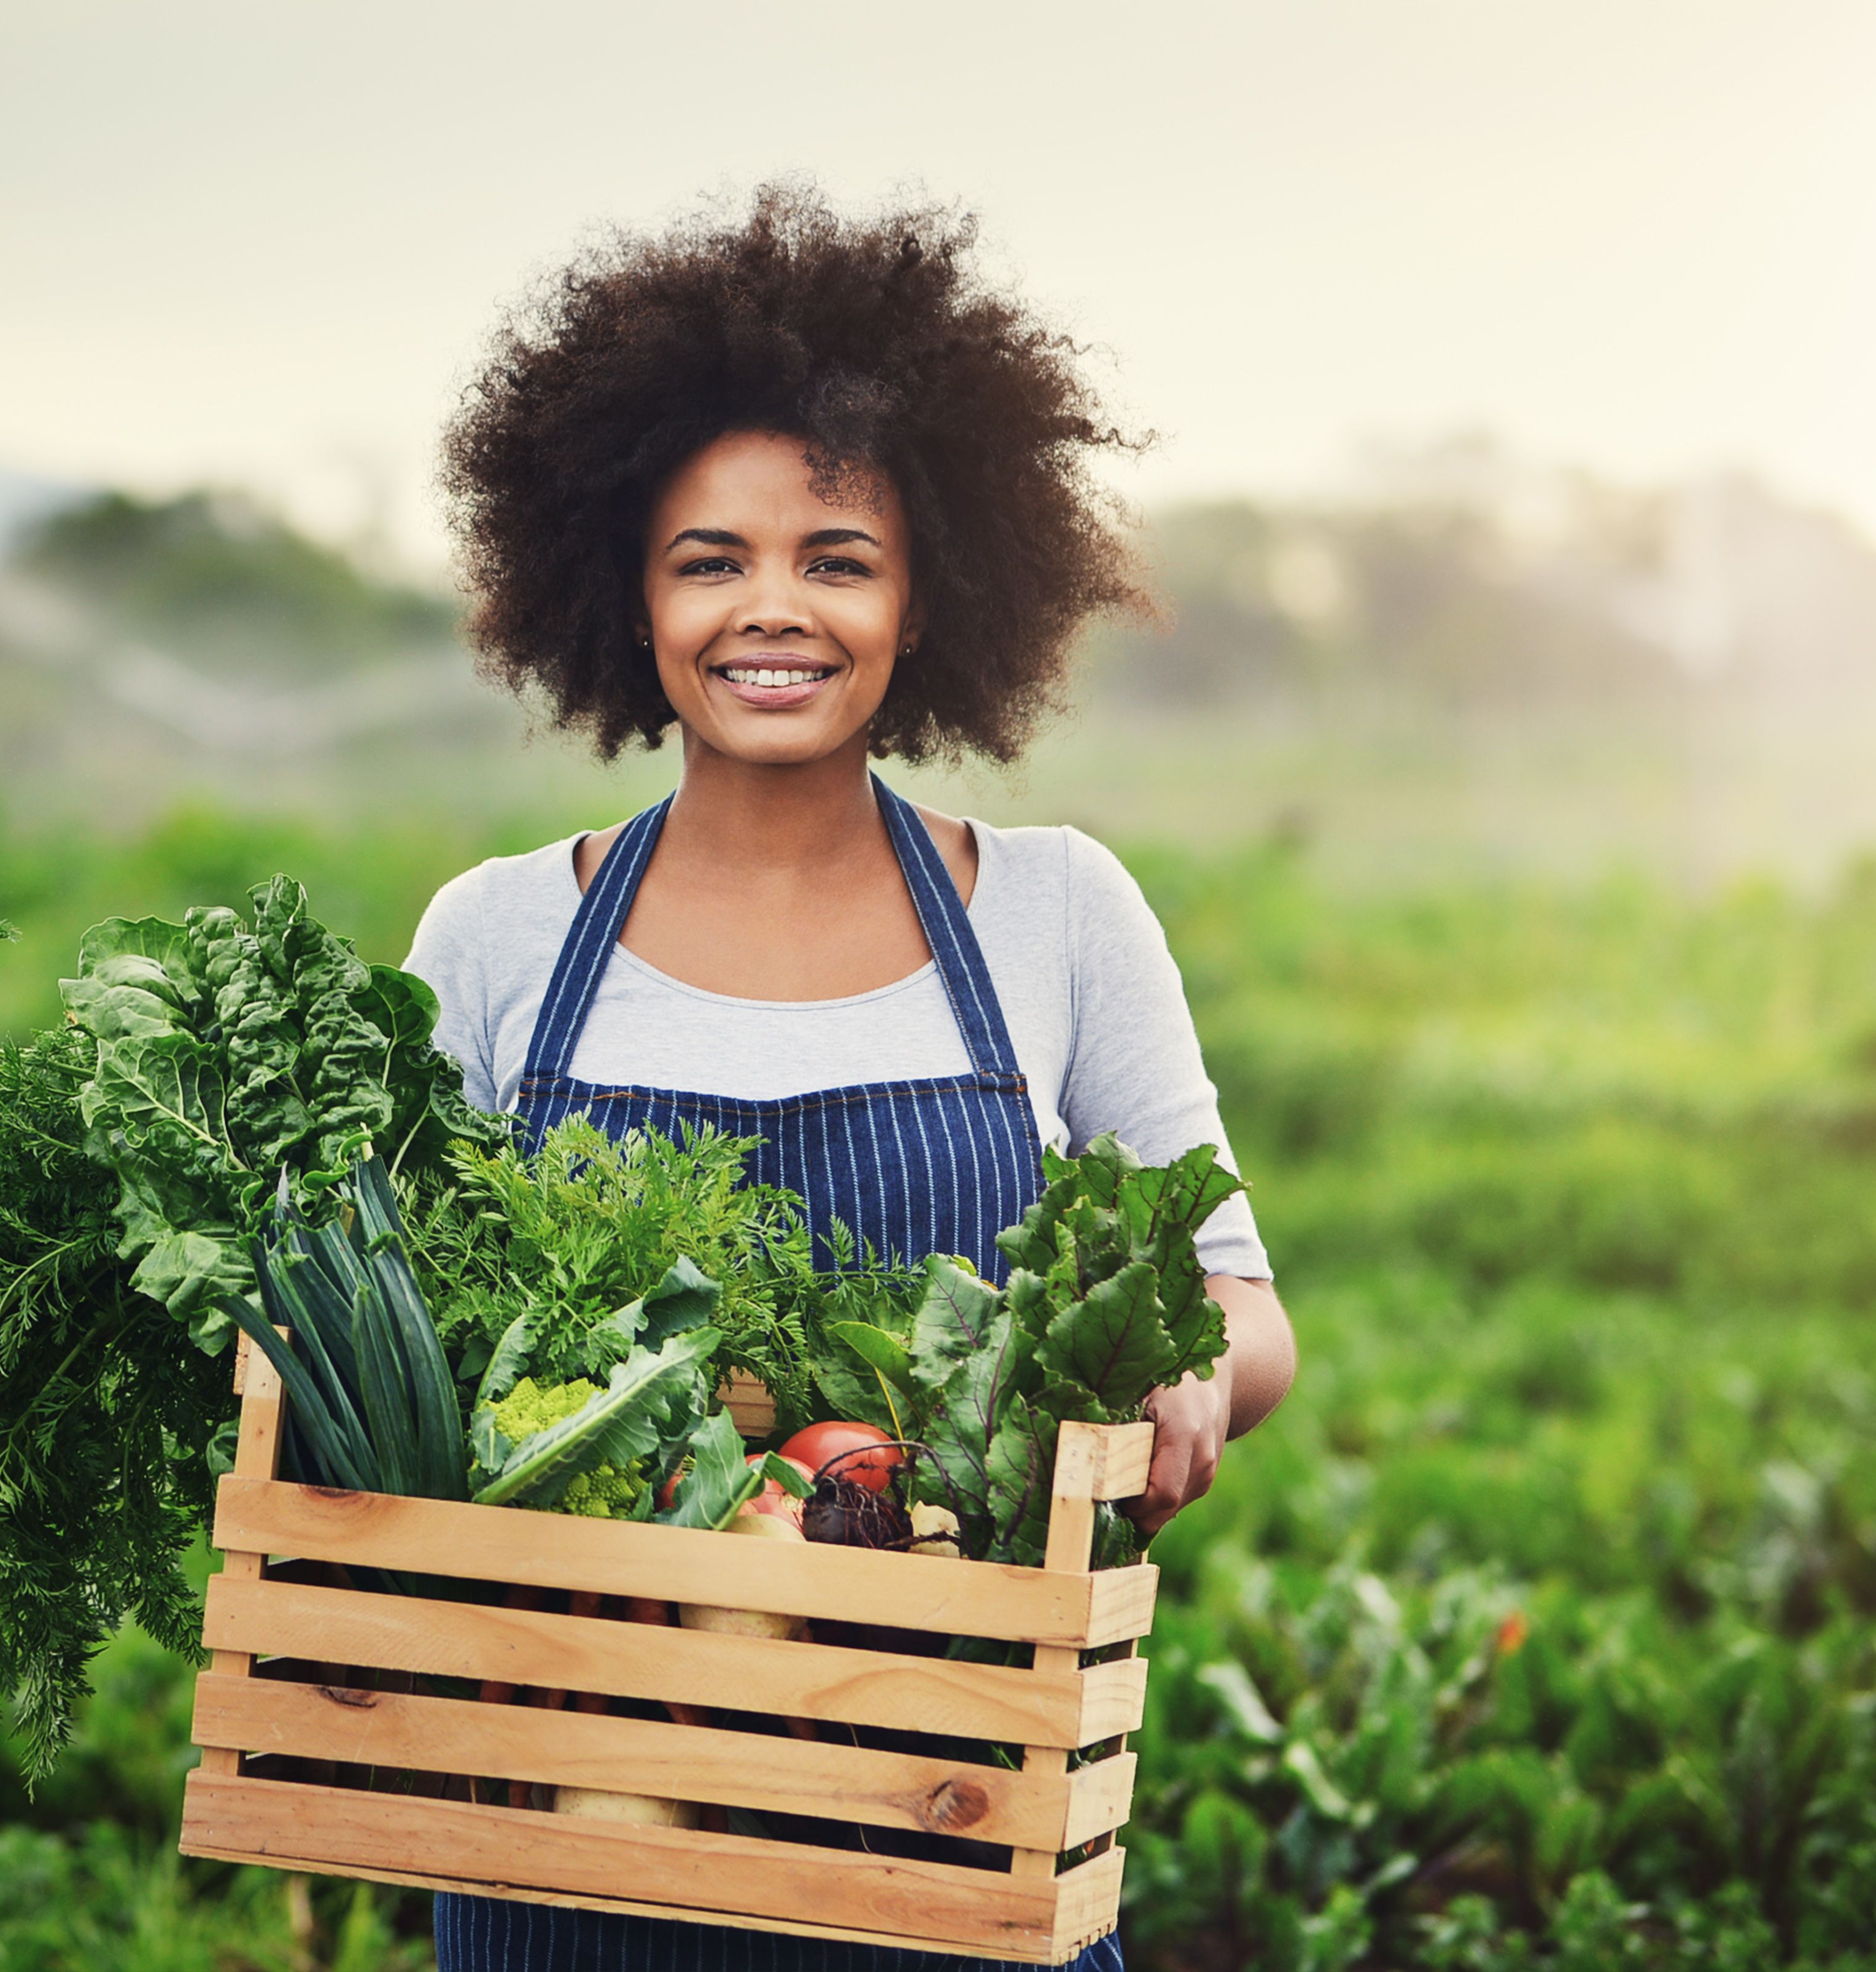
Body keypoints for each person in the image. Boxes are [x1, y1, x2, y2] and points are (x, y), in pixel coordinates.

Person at [405, 184, 1296, 1972]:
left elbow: (1245, 1308)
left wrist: (1194, 1374)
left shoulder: (1053, 908)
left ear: (929, 591)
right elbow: (392, 1346)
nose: (771, 610)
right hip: (582, 1822)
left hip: (950, 1819)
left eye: (836, 555)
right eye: (706, 557)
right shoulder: (498, 936)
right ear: (620, 590)